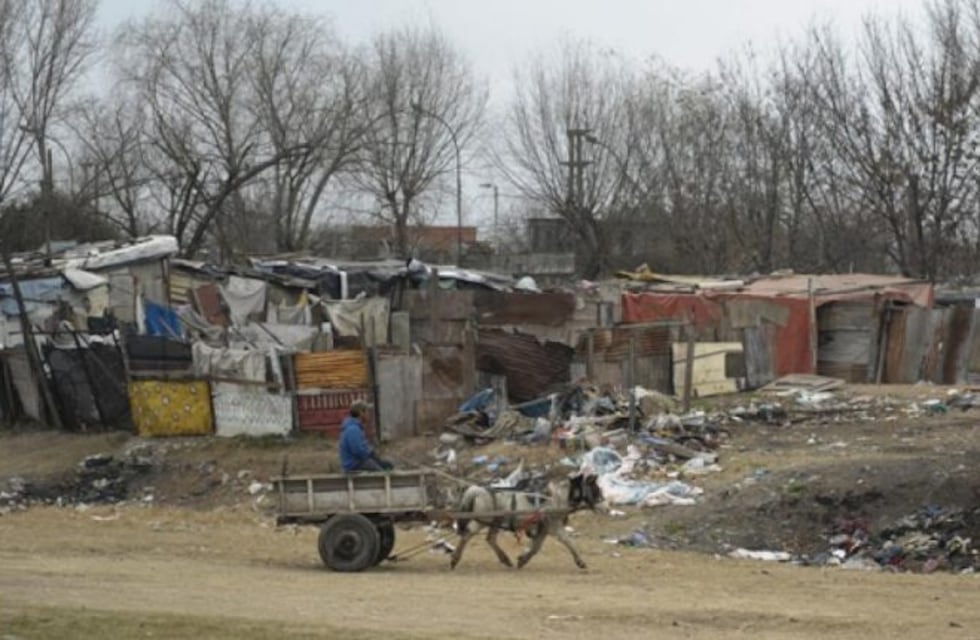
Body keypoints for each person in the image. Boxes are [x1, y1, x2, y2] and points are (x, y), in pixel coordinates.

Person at [338, 401, 392, 472]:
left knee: (387, 464)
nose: (368, 414)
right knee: (381, 475)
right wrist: (370, 454)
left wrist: (371, 453)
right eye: (367, 412)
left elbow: (362, 448)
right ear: (361, 413)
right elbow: (357, 451)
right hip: (354, 465)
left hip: (358, 462)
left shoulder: (355, 427)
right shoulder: (353, 429)